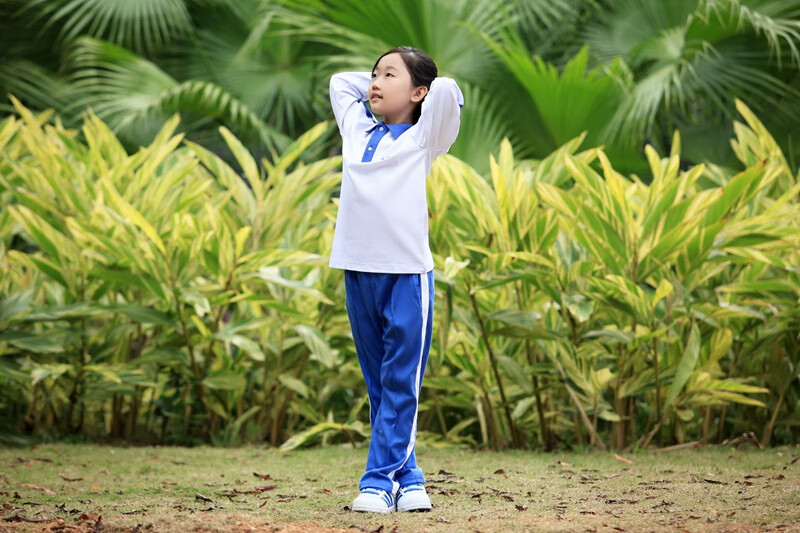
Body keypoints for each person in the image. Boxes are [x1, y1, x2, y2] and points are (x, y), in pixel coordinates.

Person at [328, 46, 463, 513]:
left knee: (401, 380)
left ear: (419, 92)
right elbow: (338, 83)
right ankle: (409, 477)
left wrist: (417, 87)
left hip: (406, 274)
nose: (374, 83)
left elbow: (446, 91)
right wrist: (386, 78)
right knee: (380, 384)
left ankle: (377, 481)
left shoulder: (426, 137)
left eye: (389, 75)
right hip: (357, 269)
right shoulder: (356, 127)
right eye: (373, 74)